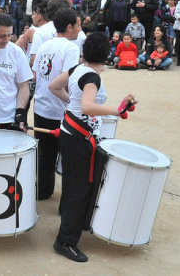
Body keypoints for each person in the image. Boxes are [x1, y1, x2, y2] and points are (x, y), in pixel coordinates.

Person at [47, 32, 136, 262]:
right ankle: (65, 240)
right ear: (106, 55)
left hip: (68, 131)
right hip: (79, 137)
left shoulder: (78, 69)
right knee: (80, 188)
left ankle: (69, 222)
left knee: (71, 182)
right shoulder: (92, 78)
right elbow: (87, 107)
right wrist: (117, 110)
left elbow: (54, 86)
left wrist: (72, 104)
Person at [32, 8, 82, 200]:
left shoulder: (45, 44)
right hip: (59, 110)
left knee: (45, 154)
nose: (79, 29)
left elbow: (36, 74)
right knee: (68, 158)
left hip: (41, 106)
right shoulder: (71, 48)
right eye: (78, 25)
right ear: (69, 27)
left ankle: (43, 191)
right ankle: (68, 199)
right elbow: (69, 79)